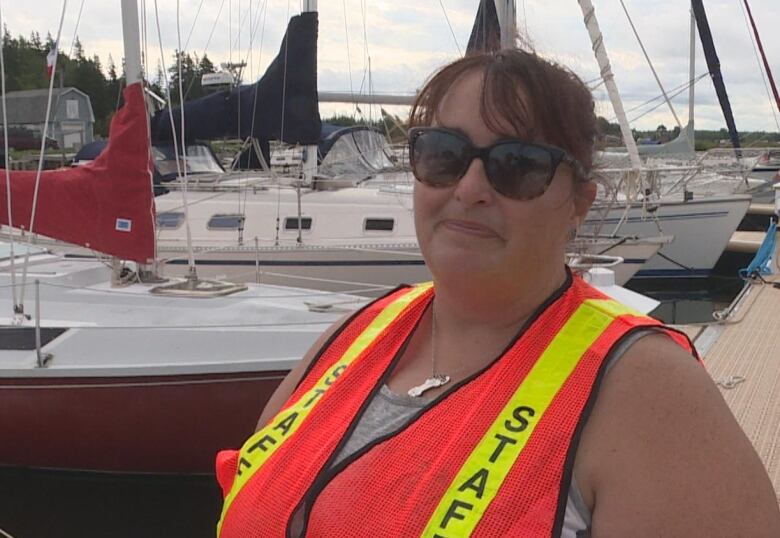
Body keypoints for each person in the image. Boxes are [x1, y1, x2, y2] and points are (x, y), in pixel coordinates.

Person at [214, 49, 780, 537]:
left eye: (517, 165)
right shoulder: (364, 330)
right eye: (443, 154)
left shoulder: (644, 388)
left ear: (580, 201)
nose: (471, 188)